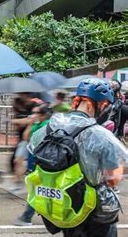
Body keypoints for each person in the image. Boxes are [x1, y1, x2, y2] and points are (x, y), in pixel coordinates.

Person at [28, 78, 127, 236]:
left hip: (65, 208)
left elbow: (34, 151)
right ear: (93, 104)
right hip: (93, 211)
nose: (107, 110)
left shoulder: (48, 129)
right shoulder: (100, 135)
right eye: (105, 106)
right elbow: (113, 178)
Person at [14, 103, 52, 226]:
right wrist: (30, 124)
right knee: (40, 191)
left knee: (35, 191)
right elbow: (26, 138)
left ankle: (26, 217)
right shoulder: (38, 125)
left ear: (44, 115)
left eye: (38, 113)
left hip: (41, 164)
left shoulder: (46, 126)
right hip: (35, 162)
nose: (35, 115)